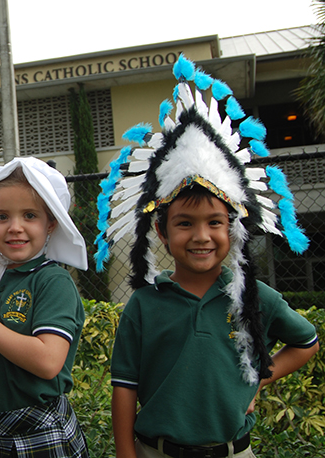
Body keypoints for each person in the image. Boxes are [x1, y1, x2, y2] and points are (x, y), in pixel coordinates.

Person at [95, 55, 320, 458]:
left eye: (215, 222)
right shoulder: (144, 305)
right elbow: (124, 387)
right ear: (161, 231)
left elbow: (306, 342)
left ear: (234, 228)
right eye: (185, 223)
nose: (202, 236)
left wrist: (258, 378)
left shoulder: (259, 299)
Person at [0, 157, 90, 458]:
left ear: (50, 224)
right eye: (1, 217)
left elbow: (49, 361)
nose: (15, 227)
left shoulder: (52, 281)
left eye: (29, 215)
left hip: (41, 432)